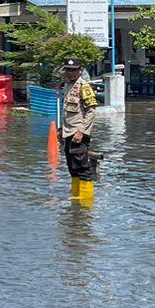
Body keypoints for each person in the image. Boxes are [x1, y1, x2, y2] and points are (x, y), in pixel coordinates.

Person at [59, 56, 98, 202]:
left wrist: (81, 131)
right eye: (68, 70)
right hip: (69, 132)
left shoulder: (83, 86)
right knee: (72, 167)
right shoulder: (68, 85)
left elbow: (91, 111)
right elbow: (66, 112)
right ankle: (76, 198)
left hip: (79, 134)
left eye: (73, 70)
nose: (70, 73)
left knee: (82, 167)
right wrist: (61, 131)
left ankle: (86, 202)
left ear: (80, 71)